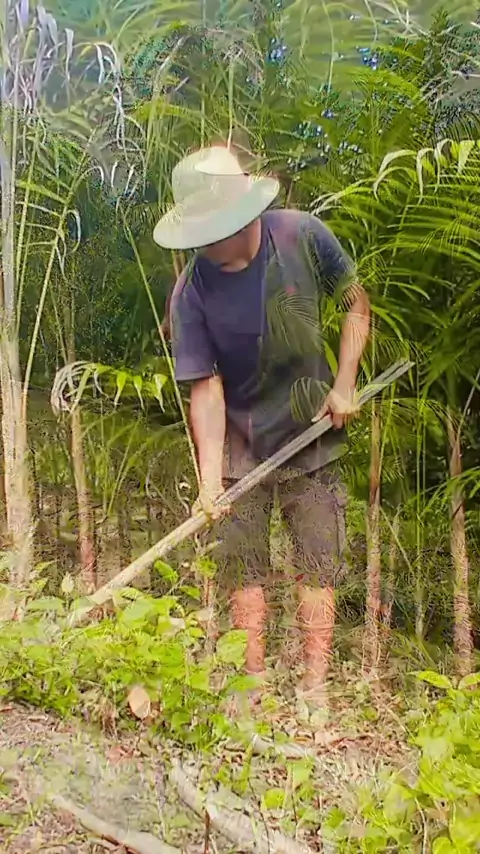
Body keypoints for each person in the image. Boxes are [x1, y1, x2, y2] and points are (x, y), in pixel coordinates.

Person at [154, 145, 370, 705]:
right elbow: (206, 389)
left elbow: (356, 303)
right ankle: (251, 689)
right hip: (239, 445)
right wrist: (209, 482)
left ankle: (313, 689)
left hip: (313, 432)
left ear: (241, 215)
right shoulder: (191, 292)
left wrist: (345, 382)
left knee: (317, 567)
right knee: (242, 571)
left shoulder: (301, 235)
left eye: (213, 230)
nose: (204, 244)